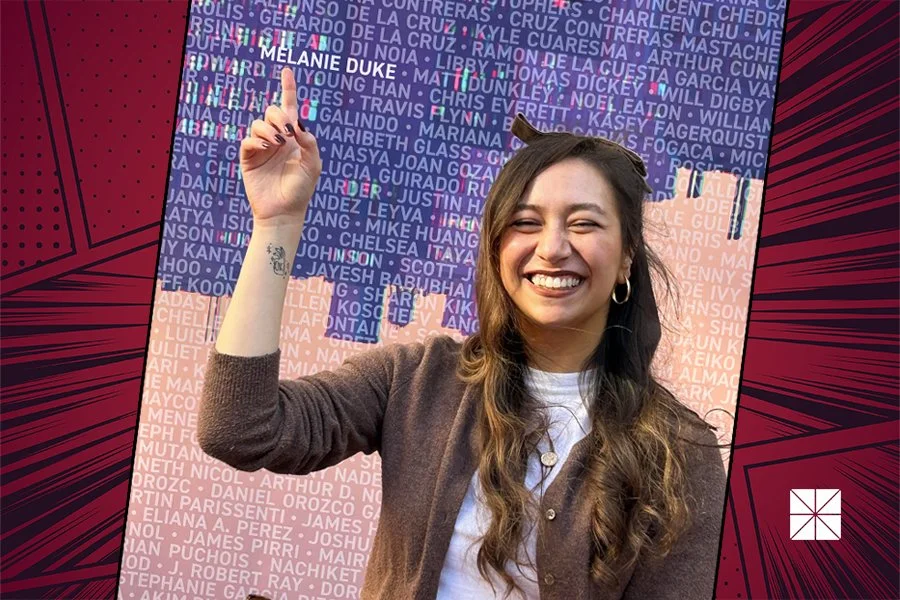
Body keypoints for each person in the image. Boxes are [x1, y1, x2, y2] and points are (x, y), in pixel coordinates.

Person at [199, 68, 727, 599]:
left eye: (584, 223)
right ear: (497, 250)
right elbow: (239, 428)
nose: (552, 247)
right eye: (525, 222)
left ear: (626, 259)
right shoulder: (417, 380)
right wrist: (277, 225)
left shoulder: (681, 453)